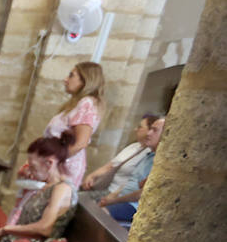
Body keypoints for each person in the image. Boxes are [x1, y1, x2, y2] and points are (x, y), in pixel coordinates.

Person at [0, 132, 80, 242]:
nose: (31, 173)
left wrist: (5, 230)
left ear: (49, 164)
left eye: (33, 167)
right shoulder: (47, 186)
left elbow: (45, 228)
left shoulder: (62, 189)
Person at [30, 61, 103, 190]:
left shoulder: (87, 103)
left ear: (85, 81)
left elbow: (81, 143)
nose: (65, 79)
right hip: (55, 162)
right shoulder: (79, 103)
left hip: (63, 167)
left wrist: (53, 162)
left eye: (71, 75)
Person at [97, 116, 163, 223]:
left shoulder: (160, 164)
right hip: (121, 198)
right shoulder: (147, 155)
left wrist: (114, 200)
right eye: (150, 129)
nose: (148, 133)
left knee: (101, 215)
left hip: (133, 206)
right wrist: (109, 197)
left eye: (154, 130)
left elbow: (141, 194)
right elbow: (130, 182)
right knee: (93, 208)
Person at [83, 111, 158, 196]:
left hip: (118, 195)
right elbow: (110, 165)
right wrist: (92, 176)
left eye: (140, 127)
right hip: (107, 188)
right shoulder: (134, 146)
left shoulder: (149, 154)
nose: (135, 129)